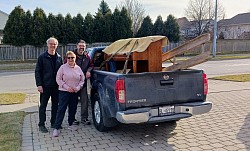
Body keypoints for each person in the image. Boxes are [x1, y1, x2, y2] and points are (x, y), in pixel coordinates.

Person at [52, 51, 85, 137]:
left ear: (75, 59)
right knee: (61, 109)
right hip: (64, 92)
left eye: (72, 58)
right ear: (66, 59)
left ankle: (71, 124)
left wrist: (78, 88)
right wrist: (67, 87)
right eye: (69, 58)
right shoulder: (62, 67)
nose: (70, 59)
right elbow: (58, 79)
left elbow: (82, 80)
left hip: (74, 92)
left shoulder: (78, 68)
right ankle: (56, 127)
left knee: (73, 109)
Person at [35, 37, 63, 133]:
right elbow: (37, 71)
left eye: (54, 44)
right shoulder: (42, 57)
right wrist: (39, 85)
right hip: (45, 86)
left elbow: (62, 72)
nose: (52, 45)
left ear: (57, 45)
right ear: (47, 45)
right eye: (51, 44)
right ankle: (41, 124)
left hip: (56, 86)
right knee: (43, 106)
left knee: (55, 105)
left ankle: (54, 122)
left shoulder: (59, 58)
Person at [73, 40, 93, 125]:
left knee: (85, 101)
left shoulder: (87, 56)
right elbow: (65, 66)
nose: (82, 47)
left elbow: (91, 65)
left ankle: (84, 119)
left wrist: (89, 71)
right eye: (80, 46)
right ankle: (72, 119)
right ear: (77, 46)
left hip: (83, 84)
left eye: (83, 46)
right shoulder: (71, 55)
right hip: (72, 84)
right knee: (72, 102)